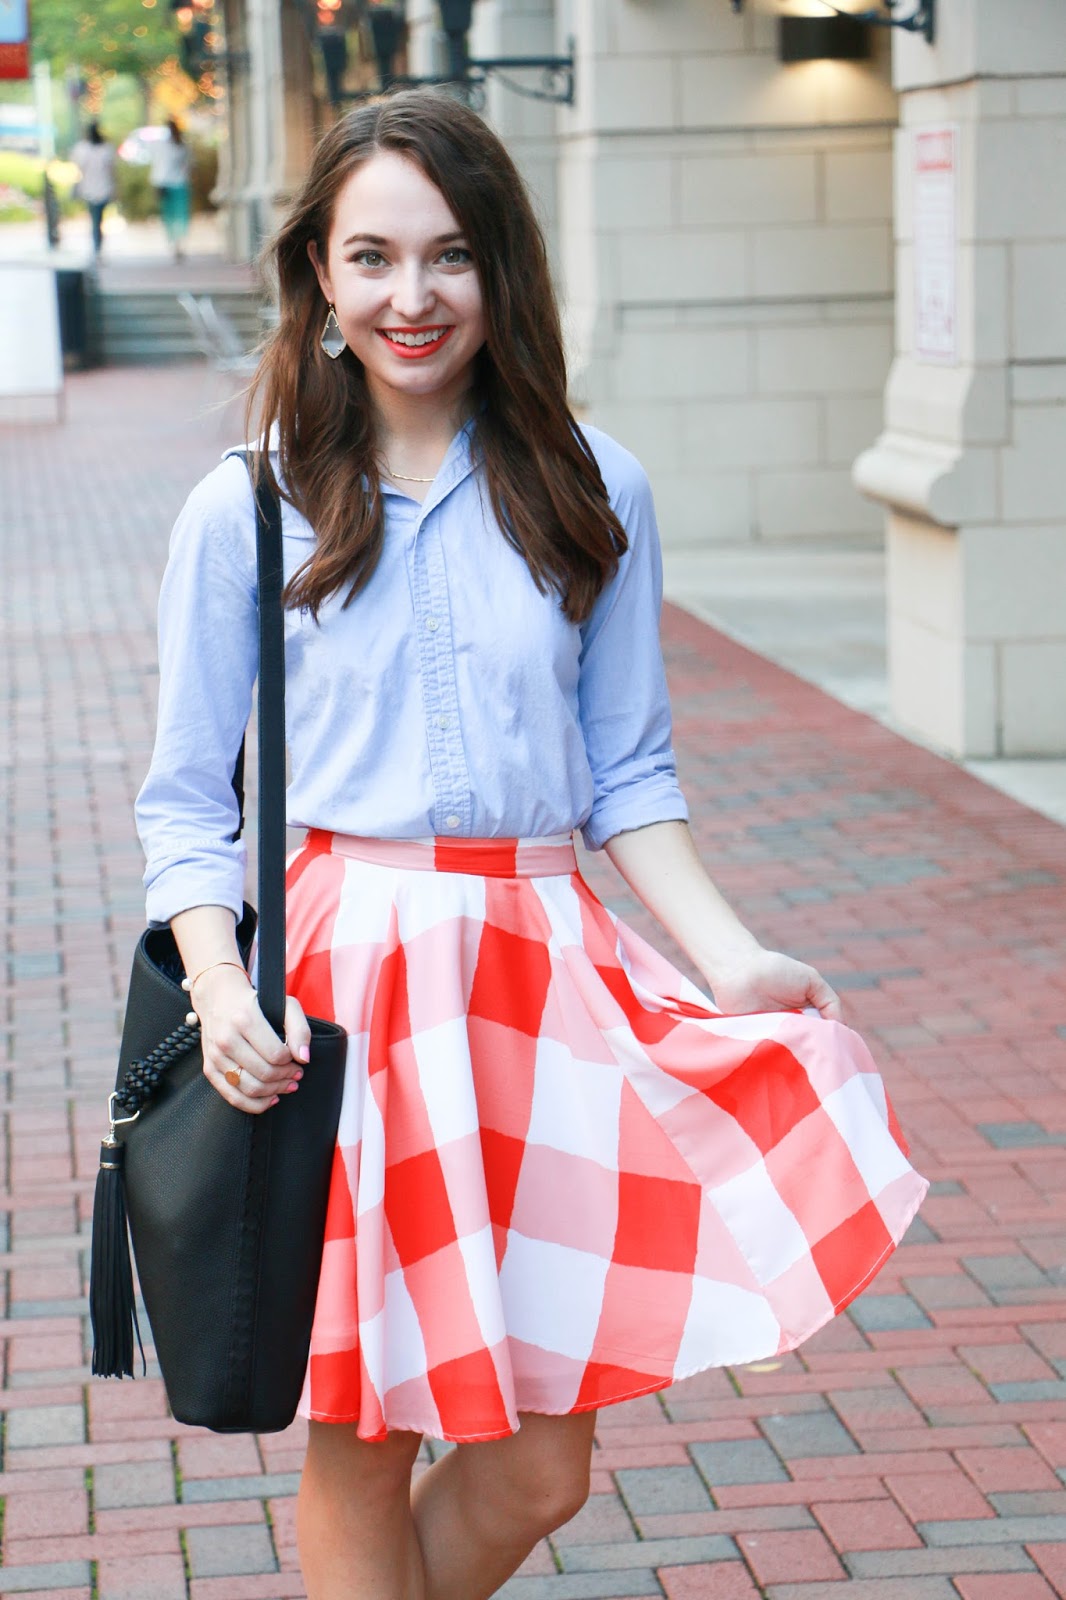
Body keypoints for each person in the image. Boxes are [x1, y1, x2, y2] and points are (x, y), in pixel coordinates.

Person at [135, 90, 926, 1600]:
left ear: (501, 268)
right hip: (347, 991)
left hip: (543, 981)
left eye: (447, 257)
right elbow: (187, 801)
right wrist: (220, 986)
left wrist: (733, 956)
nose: (409, 297)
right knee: (363, 1431)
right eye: (369, 258)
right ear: (318, 275)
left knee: (539, 1462)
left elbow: (627, 772)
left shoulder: (587, 482)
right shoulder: (245, 507)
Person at [70, 121, 115, 258]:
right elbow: (112, 171)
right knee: (98, 220)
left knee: (96, 220)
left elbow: (78, 169)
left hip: (92, 189)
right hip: (101, 188)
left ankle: (97, 247)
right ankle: (98, 247)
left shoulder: (83, 149)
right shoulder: (105, 148)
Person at [149, 118, 191, 262]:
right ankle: (175, 244)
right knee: (172, 217)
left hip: (177, 185)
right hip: (170, 185)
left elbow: (189, 165)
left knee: (177, 217)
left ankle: (177, 245)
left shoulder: (181, 147)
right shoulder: (166, 146)